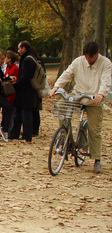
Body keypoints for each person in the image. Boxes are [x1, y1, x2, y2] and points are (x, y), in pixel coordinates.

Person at [49, 41, 112, 173]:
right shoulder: (78, 61)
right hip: (78, 94)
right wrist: (56, 87)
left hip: (94, 99)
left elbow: (106, 81)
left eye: (90, 57)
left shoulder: (105, 63)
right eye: (86, 57)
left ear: (96, 55)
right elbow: (67, 74)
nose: (87, 60)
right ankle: (65, 135)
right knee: (61, 107)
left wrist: (101, 94)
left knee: (95, 129)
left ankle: (97, 159)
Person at [8, 41, 38, 143]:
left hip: (25, 91)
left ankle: (26, 135)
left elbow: (25, 77)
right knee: (21, 113)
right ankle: (15, 133)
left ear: (24, 48)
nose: (18, 50)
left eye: (19, 48)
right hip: (27, 91)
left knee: (25, 114)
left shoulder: (28, 60)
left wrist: (16, 85)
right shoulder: (31, 57)